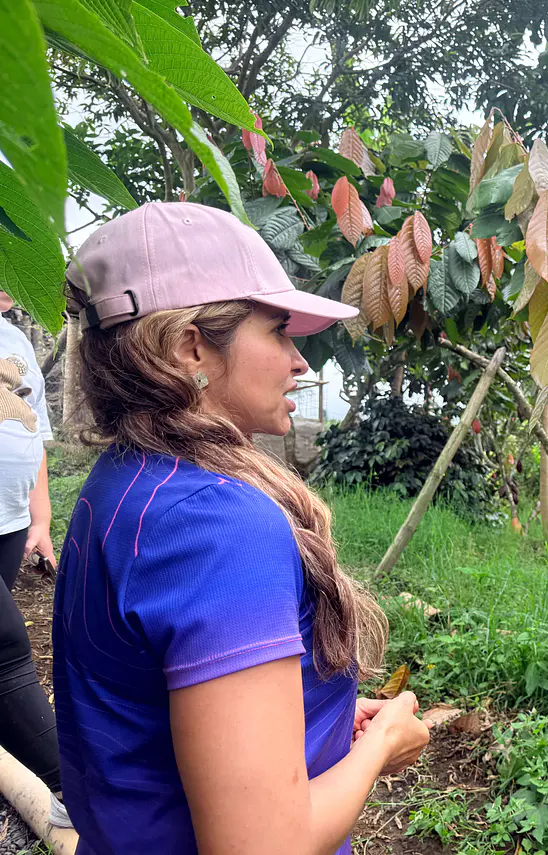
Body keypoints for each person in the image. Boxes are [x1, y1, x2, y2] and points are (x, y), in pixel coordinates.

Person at [55, 201, 430, 855]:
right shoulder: (218, 525)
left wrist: (321, 725)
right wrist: (381, 749)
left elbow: (153, 714)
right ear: (190, 346)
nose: (300, 361)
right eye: (279, 331)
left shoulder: (126, 482)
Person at [0, 291, 70, 827]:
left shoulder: (16, 338)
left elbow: (34, 437)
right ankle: (71, 791)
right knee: (6, 650)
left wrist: (39, 518)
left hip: (10, 521)